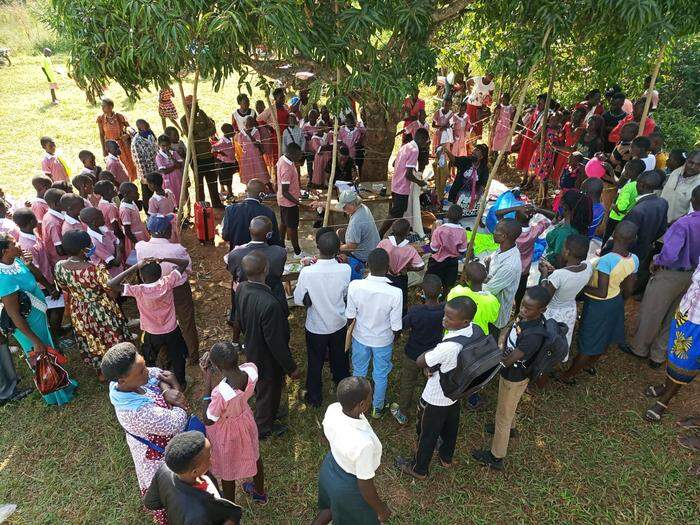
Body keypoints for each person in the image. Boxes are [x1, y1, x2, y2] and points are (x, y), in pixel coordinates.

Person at [102, 342, 188, 525]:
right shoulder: (136, 412)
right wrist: (175, 390)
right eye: (140, 372)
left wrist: (165, 390)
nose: (147, 372)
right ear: (122, 380)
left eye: (143, 365)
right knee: (173, 500)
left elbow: (157, 373)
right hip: (158, 461)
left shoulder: (126, 383)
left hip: (162, 448)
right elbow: (176, 422)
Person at [395, 296, 478, 479]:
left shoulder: (448, 347)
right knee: (451, 426)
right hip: (455, 391)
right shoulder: (473, 329)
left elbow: (420, 361)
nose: (444, 319)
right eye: (445, 314)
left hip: (436, 396)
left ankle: (419, 468)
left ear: (464, 321)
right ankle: (446, 457)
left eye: (449, 318)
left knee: (427, 433)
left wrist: (429, 358)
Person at [471, 285, 552, 470]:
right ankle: (512, 428)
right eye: (523, 304)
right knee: (508, 406)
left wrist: (490, 359)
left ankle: (496, 456)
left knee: (503, 416)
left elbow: (508, 361)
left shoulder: (533, 335)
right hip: (511, 374)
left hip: (514, 377)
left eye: (528, 308)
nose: (523, 309)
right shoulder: (526, 319)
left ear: (542, 310)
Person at [0, 233, 77, 405]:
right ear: (5, 250)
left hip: (38, 317)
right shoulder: (3, 279)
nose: (18, 243)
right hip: (26, 326)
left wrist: (28, 263)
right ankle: (55, 394)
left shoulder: (15, 261)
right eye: (14, 243)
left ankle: (63, 383)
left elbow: (34, 276)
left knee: (49, 351)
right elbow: (14, 314)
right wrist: (34, 340)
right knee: (41, 356)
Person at [559, 221, 638, 383]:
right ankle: (589, 365)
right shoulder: (634, 259)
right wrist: (619, 300)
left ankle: (567, 376)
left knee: (588, 343)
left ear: (614, 235)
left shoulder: (607, 260)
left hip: (598, 305)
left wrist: (580, 289)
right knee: (604, 337)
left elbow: (601, 292)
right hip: (615, 301)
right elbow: (629, 288)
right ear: (634, 239)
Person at [232, 251, 300, 439]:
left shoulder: (242, 288)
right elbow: (276, 343)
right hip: (267, 356)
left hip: (252, 346)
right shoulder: (270, 304)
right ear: (266, 269)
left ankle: (271, 412)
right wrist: (291, 368)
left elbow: (238, 317)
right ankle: (263, 428)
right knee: (268, 388)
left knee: (265, 386)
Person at [630, 186, 700, 368]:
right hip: (693, 276)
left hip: (671, 273)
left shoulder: (684, 223)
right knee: (674, 316)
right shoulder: (686, 223)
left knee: (652, 312)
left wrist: (656, 260)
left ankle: (640, 349)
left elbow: (669, 255)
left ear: (692, 200)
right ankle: (658, 355)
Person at [312, 377, 390, 525]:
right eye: (370, 396)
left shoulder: (333, 408)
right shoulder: (363, 444)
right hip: (349, 486)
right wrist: (381, 510)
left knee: (329, 508)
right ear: (361, 404)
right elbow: (365, 486)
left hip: (329, 469)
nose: (372, 398)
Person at [54, 230, 129, 375]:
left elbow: (64, 287)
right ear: (84, 250)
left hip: (79, 309)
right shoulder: (96, 269)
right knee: (110, 335)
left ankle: (101, 372)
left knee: (91, 337)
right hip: (102, 309)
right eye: (90, 245)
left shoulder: (59, 266)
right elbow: (112, 292)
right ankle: (120, 368)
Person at [200, 342, 266, 505]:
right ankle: (260, 493)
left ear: (216, 366)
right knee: (255, 455)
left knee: (227, 467)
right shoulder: (251, 370)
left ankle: (230, 509)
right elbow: (239, 366)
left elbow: (209, 419)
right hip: (246, 420)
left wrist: (207, 379)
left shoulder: (220, 394)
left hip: (227, 432)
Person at [109, 256, 190, 387]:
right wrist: (164, 258)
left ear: (141, 275)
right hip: (172, 330)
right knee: (177, 357)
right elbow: (185, 262)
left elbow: (112, 283)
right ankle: (181, 383)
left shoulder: (138, 290)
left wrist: (136, 266)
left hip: (151, 333)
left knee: (149, 358)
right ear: (160, 273)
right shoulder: (168, 282)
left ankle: (152, 383)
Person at [293, 231, 351, 408]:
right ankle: (345, 391)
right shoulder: (345, 269)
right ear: (338, 249)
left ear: (317, 248)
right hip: (338, 323)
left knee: (315, 361)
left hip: (316, 326)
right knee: (340, 359)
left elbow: (297, 299)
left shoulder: (307, 272)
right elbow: (346, 294)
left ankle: (314, 397)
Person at [346, 248, 402, 419]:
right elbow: (396, 327)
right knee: (381, 374)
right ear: (388, 268)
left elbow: (350, 316)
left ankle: (357, 403)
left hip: (360, 337)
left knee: (359, 371)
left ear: (367, 265)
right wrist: (395, 338)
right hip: (383, 340)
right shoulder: (395, 293)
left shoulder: (355, 286)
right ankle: (377, 407)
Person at [136, 215, 199, 362]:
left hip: (154, 289)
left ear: (149, 230)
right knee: (186, 320)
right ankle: (193, 355)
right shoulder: (177, 249)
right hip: (178, 287)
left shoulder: (140, 247)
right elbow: (188, 269)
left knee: (160, 321)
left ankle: (165, 357)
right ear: (168, 231)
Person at [144, 431, 242, 525]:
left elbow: (151, 503)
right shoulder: (198, 516)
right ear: (195, 472)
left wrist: (174, 503)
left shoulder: (165, 469)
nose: (212, 459)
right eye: (209, 457)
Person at [643, 263, 700, 422]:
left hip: (697, 325)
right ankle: (666, 386)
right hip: (685, 313)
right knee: (674, 354)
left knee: (686, 364)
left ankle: (665, 400)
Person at [389, 274, 445, 425]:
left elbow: (402, 326)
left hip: (413, 354)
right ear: (441, 291)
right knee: (431, 382)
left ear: (422, 292)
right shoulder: (446, 310)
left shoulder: (416, 311)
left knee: (408, 383)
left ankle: (402, 412)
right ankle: (427, 410)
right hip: (433, 355)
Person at [611, 171, 667, 293]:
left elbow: (626, 235)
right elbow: (663, 228)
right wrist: (649, 240)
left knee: (622, 280)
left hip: (631, 251)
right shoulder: (662, 202)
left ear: (641, 185)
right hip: (646, 248)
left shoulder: (637, 211)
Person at [13, 208, 65, 340]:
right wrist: (50, 287)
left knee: (54, 307)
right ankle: (56, 335)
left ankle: (56, 330)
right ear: (32, 221)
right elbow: (33, 270)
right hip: (42, 284)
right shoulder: (27, 245)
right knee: (56, 309)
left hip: (48, 276)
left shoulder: (33, 233)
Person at [226, 215, 288, 321]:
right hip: (273, 297)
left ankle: (235, 329)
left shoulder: (235, 255)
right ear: (269, 234)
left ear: (249, 230)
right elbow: (279, 272)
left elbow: (233, 273)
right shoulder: (280, 252)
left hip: (247, 299)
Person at [539, 235, 592, 350]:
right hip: (569, 309)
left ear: (567, 252)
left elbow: (545, 297)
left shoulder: (559, 276)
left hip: (552, 313)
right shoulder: (588, 266)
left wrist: (544, 275)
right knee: (560, 339)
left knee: (546, 342)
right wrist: (555, 272)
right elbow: (571, 279)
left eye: (563, 247)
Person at [497, 204, 553, 311]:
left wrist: (515, 208)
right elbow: (553, 217)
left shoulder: (509, 231)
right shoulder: (535, 231)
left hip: (507, 267)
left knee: (504, 289)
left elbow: (497, 213)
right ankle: (518, 308)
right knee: (520, 290)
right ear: (531, 218)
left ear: (516, 217)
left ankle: (503, 308)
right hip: (524, 269)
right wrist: (538, 209)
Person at [379, 127, 429, 238]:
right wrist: (420, 182)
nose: (425, 145)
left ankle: (395, 233)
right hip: (402, 186)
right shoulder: (415, 150)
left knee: (399, 212)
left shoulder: (405, 146)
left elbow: (397, 164)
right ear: (421, 138)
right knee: (396, 212)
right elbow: (408, 175)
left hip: (395, 183)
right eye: (425, 141)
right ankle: (380, 233)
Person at [484, 219, 523, 337]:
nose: (493, 232)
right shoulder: (503, 248)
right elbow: (490, 263)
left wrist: (475, 278)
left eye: (496, 231)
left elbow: (488, 290)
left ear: (504, 236)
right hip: (489, 306)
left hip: (495, 315)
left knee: (489, 341)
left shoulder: (510, 266)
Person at [181, 96, 222, 208]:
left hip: (208, 154)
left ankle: (217, 203)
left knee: (213, 181)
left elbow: (213, 129)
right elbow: (191, 137)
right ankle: (201, 207)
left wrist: (201, 134)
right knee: (199, 185)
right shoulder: (184, 120)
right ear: (188, 107)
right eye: (195, 104)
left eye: (197, 103)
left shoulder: (202, 114)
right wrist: (203, 134)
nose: (198, 106)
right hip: (196, 157)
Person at [377, 218, 425, 313]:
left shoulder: (384, 243)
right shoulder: (409, 249)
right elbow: (421, 265)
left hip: (384, 276)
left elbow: (377, 256)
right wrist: (408, 268)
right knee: (401, 300)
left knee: (385, 298)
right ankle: (401, 319)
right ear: (407, 233)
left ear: (392, 229)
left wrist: (387, 266)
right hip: (400, 278)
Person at [221, 179, 281, 251]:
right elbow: (274, 240)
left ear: (246, 192)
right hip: (260, 257)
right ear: (261, 195)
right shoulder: (268, 212)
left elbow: (225, 236)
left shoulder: (230, 209)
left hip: (237, 255)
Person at [337, 190, 381, 280]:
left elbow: (352, 247)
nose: (343, 210)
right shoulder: (362, 207)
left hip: (364, 255)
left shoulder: (356, 222)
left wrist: (338, 247)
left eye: (344, 207)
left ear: (352, 204)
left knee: (337, 255)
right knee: (339, 232)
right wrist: (323, 204)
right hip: (372, 247)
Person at [544, 190, 592, 267]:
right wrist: (538, 210)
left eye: (560, 203)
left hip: (550, 270)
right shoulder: (575, 223)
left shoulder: (564, 233)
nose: (558, 205)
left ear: (565, 207)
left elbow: (559, 262)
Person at [603, 158, 646, 244]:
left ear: (633, 172)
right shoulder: (640, 185)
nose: (624, 172)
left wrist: (614, 206)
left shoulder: (628, 187)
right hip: (627, 218)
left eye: (626, 170)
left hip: (615, 217)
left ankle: (603, 251)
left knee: (607, 237)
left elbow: (622, 207)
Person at [426, 204, 467, 290]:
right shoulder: (462, 232)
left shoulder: (439, 230)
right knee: (448, 284)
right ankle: (444, 297)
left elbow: (434, 249)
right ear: (461, 217)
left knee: (432, 281)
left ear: (447, 215)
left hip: (437, 262)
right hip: (452, 262)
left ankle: (430, 296)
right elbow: (462, 251)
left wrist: (425, 248)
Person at [276, 142, 306, 257]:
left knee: (284, 223)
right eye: (298, 155)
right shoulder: (287, 168)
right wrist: (298, 203)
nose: (299, 157)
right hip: (289, 202)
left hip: (283, 200)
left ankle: (281, 246)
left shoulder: (283, 159)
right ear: (291, 153)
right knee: (292, 227)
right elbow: (285, 191)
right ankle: (297, 252)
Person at [97, 98, 137, 181]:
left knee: (128, 163)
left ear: (111, 107)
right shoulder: (101, 119)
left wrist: (127, 135)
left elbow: (129, 128)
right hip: (110, 147)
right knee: (115, 166)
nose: (102, 108)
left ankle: (130, 181)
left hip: (122, 145)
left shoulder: (119, 116)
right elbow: (101, 134)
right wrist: (104, 149)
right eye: (102, 106)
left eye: (104, 106)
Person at [660, 149, 700, 225]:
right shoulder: (676, 171)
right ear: (686, 160)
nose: (693, 167)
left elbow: (693, 213)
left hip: (673, 226)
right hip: (657, 219)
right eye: (691, 162)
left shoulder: (698, 185)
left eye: (699, 165)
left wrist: (674, 224)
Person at [80, 207, 122, 277]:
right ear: (94, 222)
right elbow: (116, 262)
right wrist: (118, 248)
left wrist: (117, 250)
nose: (104, 218)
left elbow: (117, 241)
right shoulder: (94, 242)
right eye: (101, 217)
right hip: (111, 276)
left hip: (118, 270)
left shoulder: (103, 229)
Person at [515, 94, 547, 174]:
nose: (538, 105)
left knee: (531, 158)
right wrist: (524, 130)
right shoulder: (536, 110)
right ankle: (524, 178)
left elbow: (544, 127)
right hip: (529, 135)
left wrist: (537, 136)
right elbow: (530, 122)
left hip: (535, 139)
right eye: (538, 103)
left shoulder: (547, 114)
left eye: (541, 103)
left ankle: (527, 179)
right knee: (525, 156)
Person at [119, 182, 150, 263]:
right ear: (126, 194)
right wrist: (136, 243)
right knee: (138, 258)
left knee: (146, 255)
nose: (138, 194)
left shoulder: (131, 202)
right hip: (135, 237)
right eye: (135, 192)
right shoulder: (125, 210)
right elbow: (127, 231)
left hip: (140, 233)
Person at [146, 172, 179, 244]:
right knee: (174, 240)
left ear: (152, 185)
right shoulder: (169, 192)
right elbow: (174, 207)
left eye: (148, 184)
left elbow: (152, 217)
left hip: (162, 228)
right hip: (172, 222)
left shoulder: (153, 200)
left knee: (167, 244)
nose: (148, 186)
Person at [235, 117, 270, 186]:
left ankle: (266, 185)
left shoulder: (255, 131)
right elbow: (241, 144)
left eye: (250, 124)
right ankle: (251, 186)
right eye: (246, 124)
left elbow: (257, 144)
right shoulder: (241, 133)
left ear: (253, 124)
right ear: (244, 124)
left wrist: (249, 135)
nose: (248, 126)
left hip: (256, 154)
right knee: (249, 171)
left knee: (260, 169)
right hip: (247, 156)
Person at [131, 120, 160, 202]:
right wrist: (146, 178)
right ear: (140, 128)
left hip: (156, 169)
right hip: (147, 173)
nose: (148, 126)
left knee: (158, 192)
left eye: (147, 124)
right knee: (148, 196)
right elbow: (139, 162)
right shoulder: (136, 142)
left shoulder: (150, 133)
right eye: (145, 125)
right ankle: (149, 212)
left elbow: (156, 147)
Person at [156, 134, 185, 205]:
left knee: (179, 196)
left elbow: (180, 165)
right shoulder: (159, 157)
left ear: (170, 144)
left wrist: (171, 158)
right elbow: (164, 171)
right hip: (168, 181)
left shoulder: (174, 153)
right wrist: (175, 166)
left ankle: (181, 212)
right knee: (170, 197)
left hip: (177, 179)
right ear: (158, 145)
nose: (165, 148)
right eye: (163, 146)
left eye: (167, 145)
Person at [41, 188, 66, 269]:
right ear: (55, 204)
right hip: (62, 262)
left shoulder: (52, 214)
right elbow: (60, 250)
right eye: (64, 201)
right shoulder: (53, 222)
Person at [211, 123, 237, 198]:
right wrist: (220, 153)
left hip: (230, 162)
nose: (233, 132)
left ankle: (230, 193)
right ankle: (230, 193)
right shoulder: (222, 141)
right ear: (225, 132)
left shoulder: (229, 140)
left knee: (230, 178)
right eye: (231, 130)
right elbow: (213, 149)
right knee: (228, 179)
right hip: (225, 163)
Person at [465, 73, 495, 138]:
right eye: (489, 76)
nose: (490, 78)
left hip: (480, 106)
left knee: (478, 123)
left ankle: (474, 141)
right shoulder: (478, 79)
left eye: (492, 77)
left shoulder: (492, 85)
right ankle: (466, 139)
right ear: (486, 74)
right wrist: (470, 93)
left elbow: (490, 96)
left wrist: (486, 103)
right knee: (469, 121)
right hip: (471, 103)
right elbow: (467, 82)